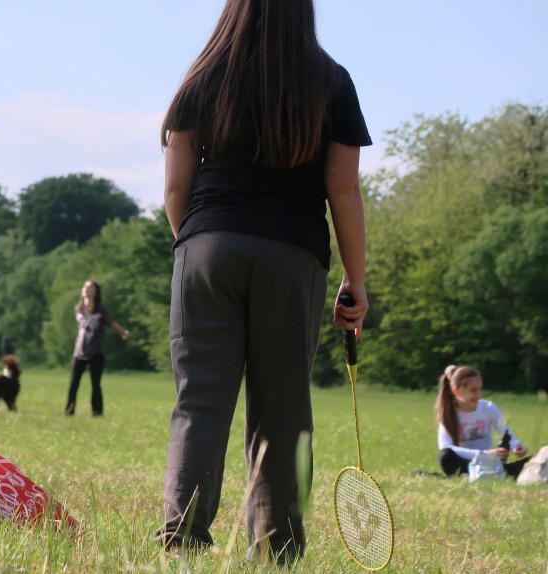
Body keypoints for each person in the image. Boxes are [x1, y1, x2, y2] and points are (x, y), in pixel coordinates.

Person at [155, 0, 371, 564]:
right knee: (282, 411)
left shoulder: (203, 75)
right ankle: (277, 548)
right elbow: (343, 191)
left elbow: (175, 187)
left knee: (200, 402)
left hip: (207, 246)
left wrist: (196, 246)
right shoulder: (332, 81)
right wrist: (356, 278)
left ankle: (182, 539)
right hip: (292, 255)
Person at [436, 364, 531, 479]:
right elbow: (446, 447)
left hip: (491, 465)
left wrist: (516, 445)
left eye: (480, 389)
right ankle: (496, 475)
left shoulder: (488, 407)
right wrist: (484, 454)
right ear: (456, 391)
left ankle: (492, 474)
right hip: (466, 463)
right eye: (473, 390)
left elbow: (506, 434)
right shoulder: (448, 414)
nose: (478, 394)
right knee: (444, 456)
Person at [64, 279, 129, 416]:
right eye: (85, 287)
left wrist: (123, 332)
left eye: (90, 287)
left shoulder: (101, 310)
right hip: (80, 351)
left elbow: (111, 323)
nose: (86, 289)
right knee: (73, 383)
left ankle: (97, 414)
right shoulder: (79, 308)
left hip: (96, 352)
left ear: (96, 291)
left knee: (96, 385)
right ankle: (69, 412)